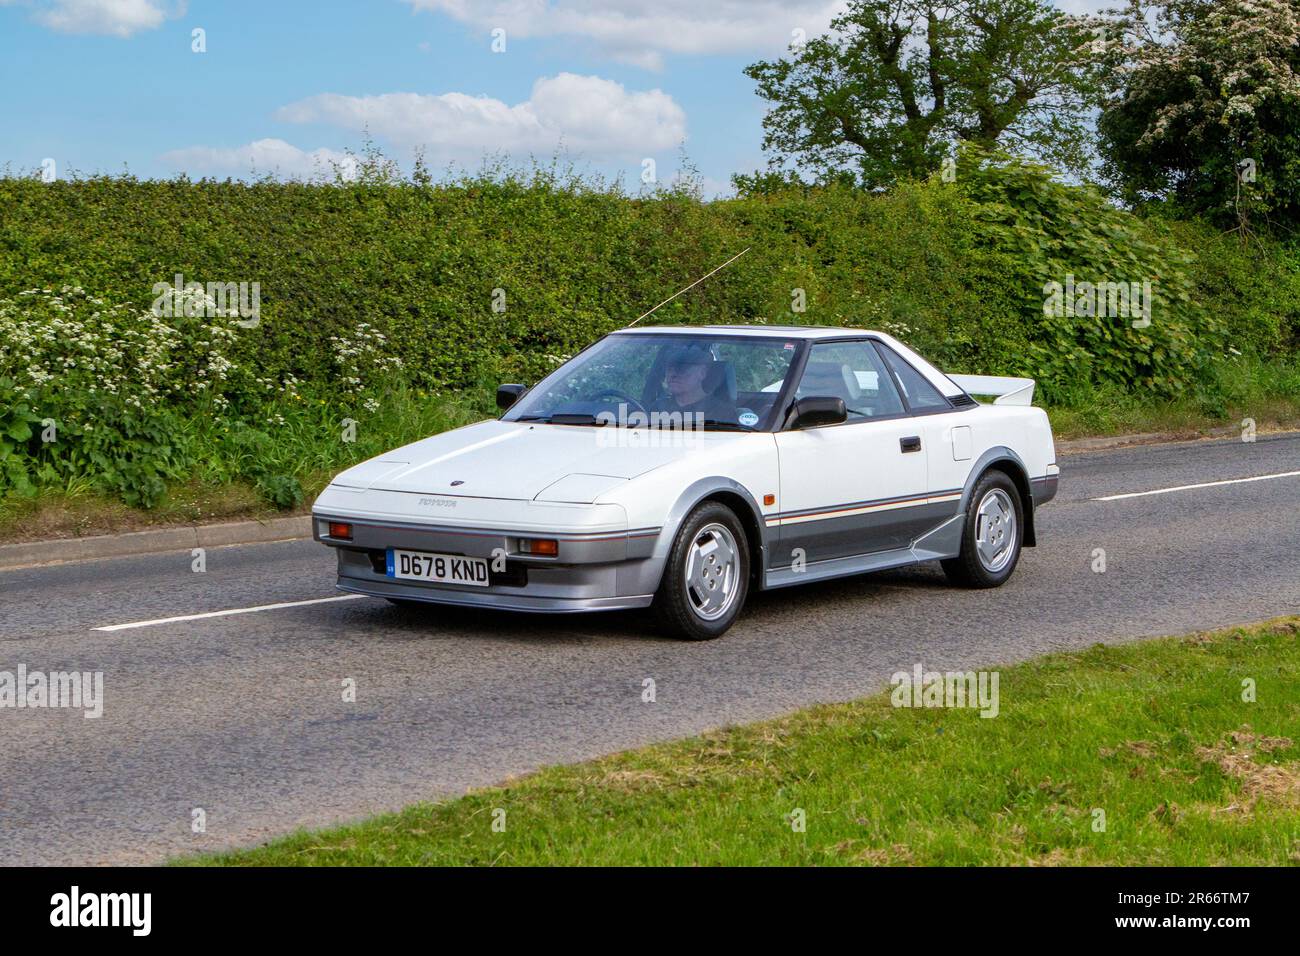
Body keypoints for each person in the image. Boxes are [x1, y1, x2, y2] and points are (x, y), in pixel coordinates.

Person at [654, 343, 736, 425]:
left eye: (682, 368)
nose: (673, 375)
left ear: (702, 373)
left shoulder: (723, 415)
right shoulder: (656, 409)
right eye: (669, 369)